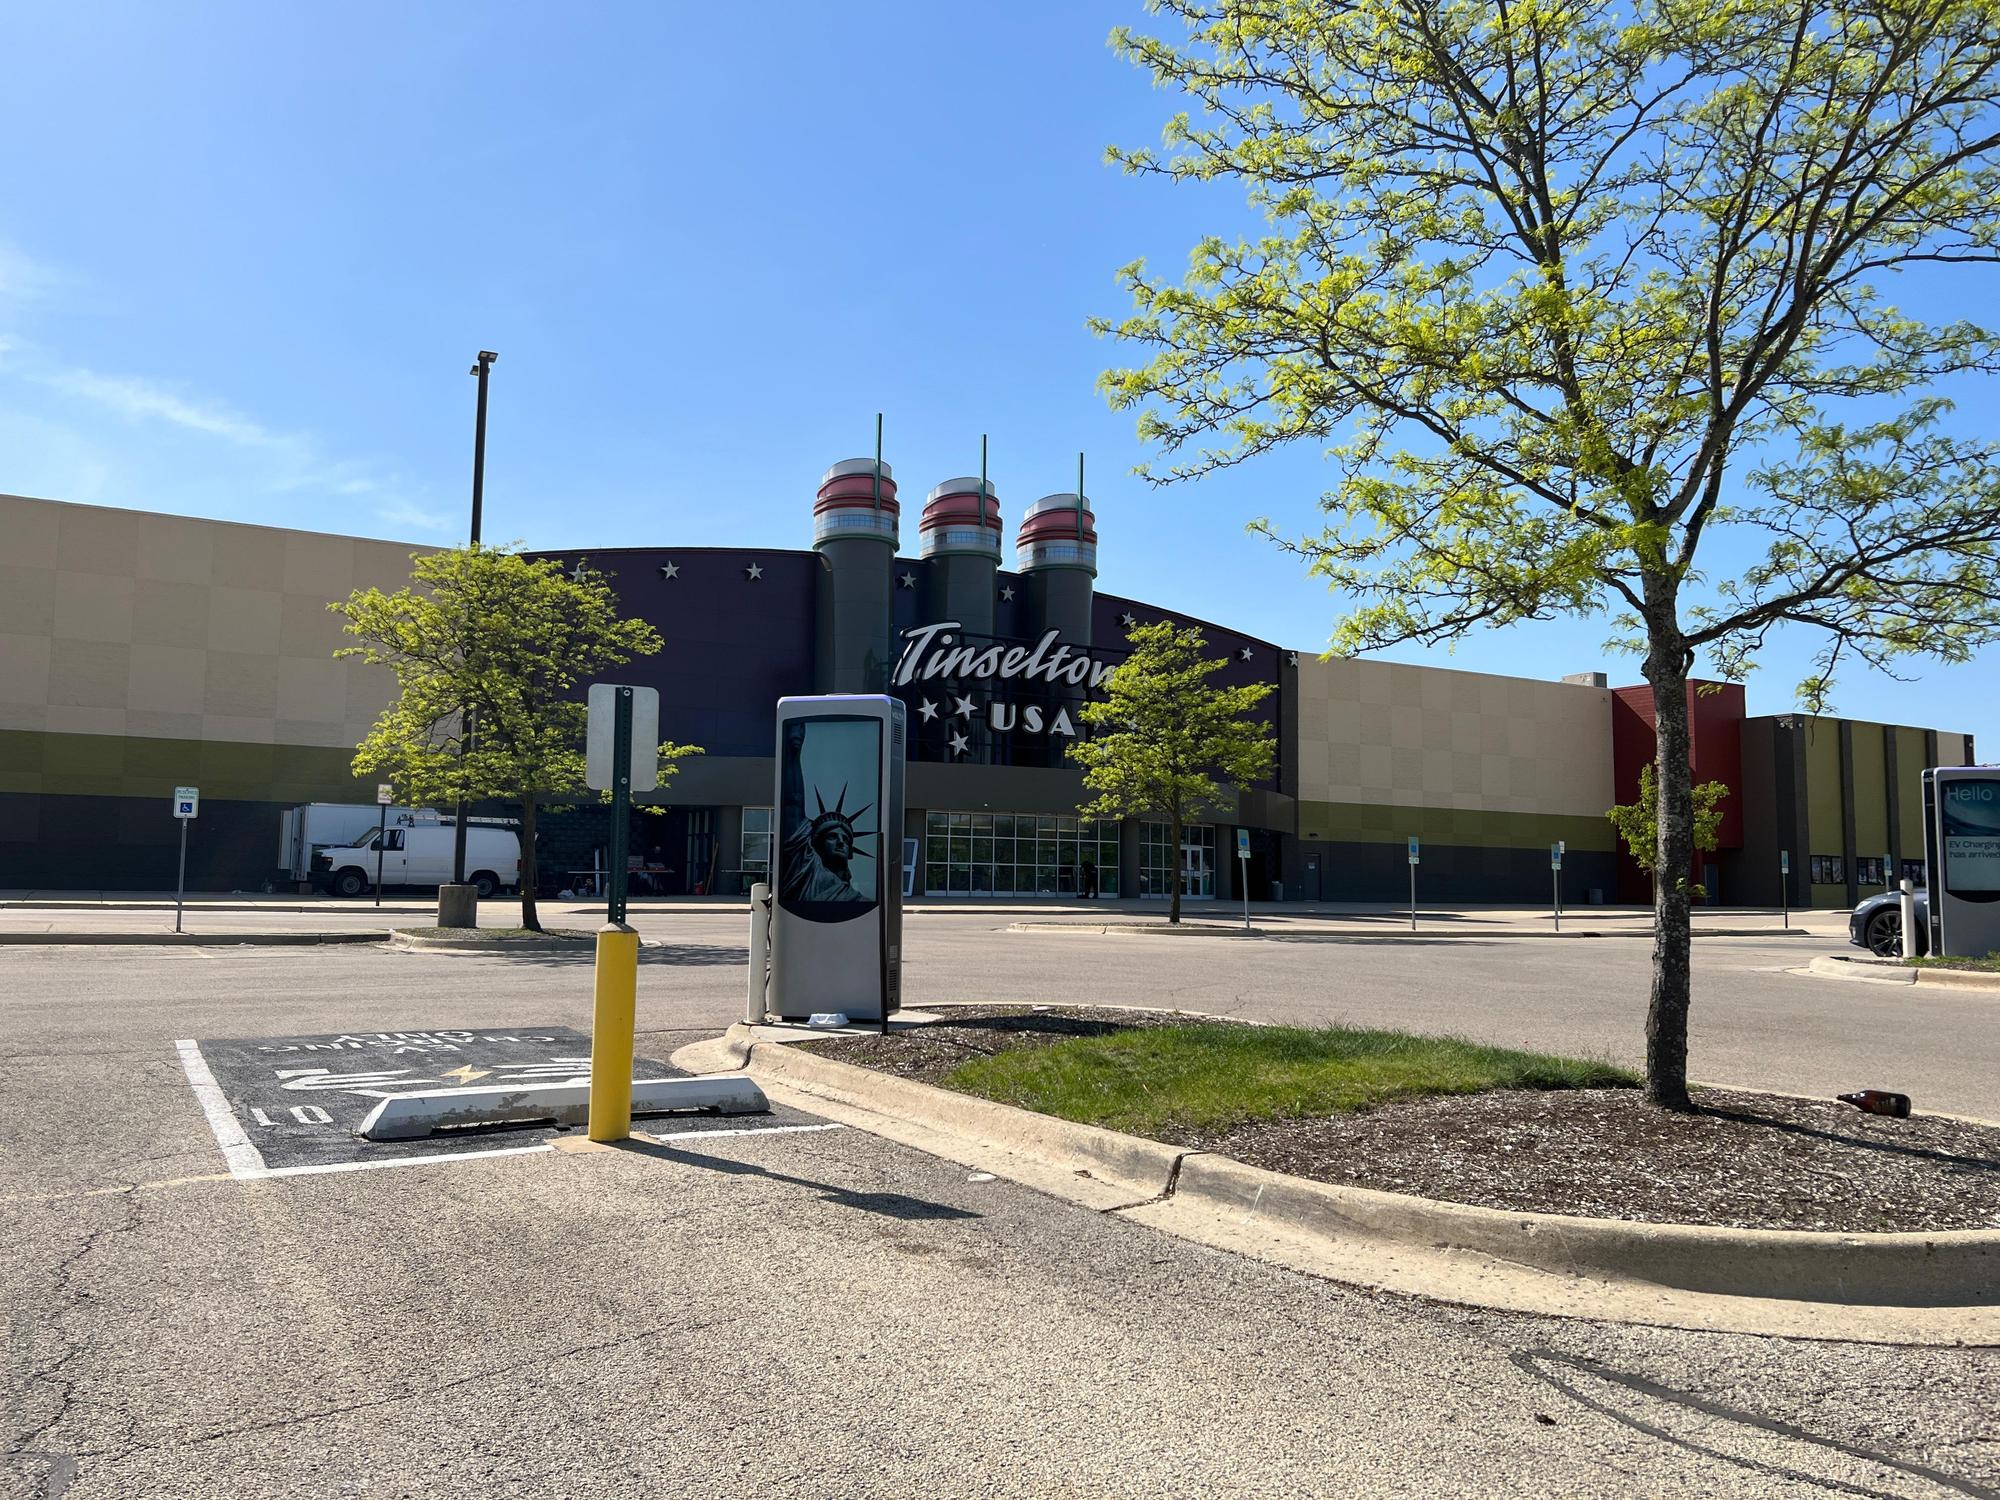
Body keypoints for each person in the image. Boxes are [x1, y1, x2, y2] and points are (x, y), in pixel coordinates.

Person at [779, 720, 874, 905]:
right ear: (815, 845)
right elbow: (793, 802)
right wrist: (793, 753)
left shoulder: (858, 900)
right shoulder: (806, 869)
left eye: (846, 840)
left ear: (850, 853)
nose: (840, 842)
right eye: (831, 837)